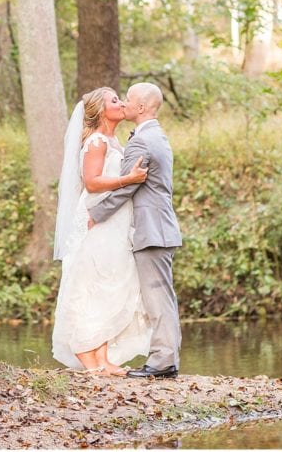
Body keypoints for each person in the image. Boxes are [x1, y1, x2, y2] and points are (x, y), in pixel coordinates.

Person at [51, 87, 152, 375]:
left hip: (115, 219)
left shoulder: (113, 140)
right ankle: (85, 351)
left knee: (112, 281)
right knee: (91, 281)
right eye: (114, 100)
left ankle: (103, 358)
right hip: (97, 218)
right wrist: (127, 178)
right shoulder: (96, 141)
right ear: (99, 110)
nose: (121, 104)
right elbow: (92, 182)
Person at [88, 82, 183, 379]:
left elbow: (128, 186)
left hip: (151, 228)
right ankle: (164, 357)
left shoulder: (142, 141)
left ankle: (163, 362)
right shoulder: (155, 135)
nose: (125, 104)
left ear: (140, 107)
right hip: (159, 226)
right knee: (161, 297)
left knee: (158, 299)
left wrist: (97, 213)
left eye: (128, 100)